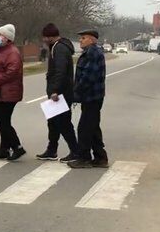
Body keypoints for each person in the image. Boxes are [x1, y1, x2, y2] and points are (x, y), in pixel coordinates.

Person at [37, 23, 80, 162]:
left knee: (64, 123)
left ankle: (75, 151)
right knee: (53, 122)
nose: (43, 39)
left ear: (49, 37)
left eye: (45, 37)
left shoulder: (60, 48)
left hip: (61, 93)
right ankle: (51, 150)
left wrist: (55, 90)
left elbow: (60, 71)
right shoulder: (56, 47)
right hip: (58, 92)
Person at [0, 24, 25, 160]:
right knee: (2, 121)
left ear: (7, 38)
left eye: (0, 35)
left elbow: (11, 72)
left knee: (1, 121)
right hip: (0, 92)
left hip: (8, 93)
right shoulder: (2, 51)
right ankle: (4, 149)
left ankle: (17, 147)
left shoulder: (12, 52)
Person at [68, 29, 109, 169]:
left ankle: (84, 158)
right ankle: (100, 157)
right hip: (92, 96)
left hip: (92, 96)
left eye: (83, 38)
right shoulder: (91, 52)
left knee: (84, 128)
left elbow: (88, 77)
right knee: (93, 126)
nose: (80, 40)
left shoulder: (93, 52)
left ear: (92, 39)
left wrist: (76, 91)